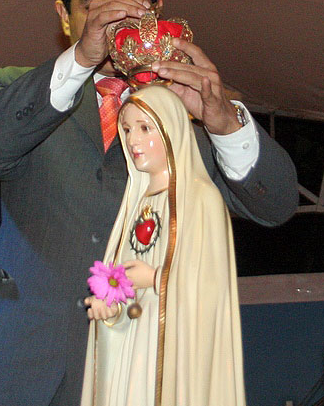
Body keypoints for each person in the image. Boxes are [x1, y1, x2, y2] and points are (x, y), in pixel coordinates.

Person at [0, 0, 297, 405]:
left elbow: (275, 205)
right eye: (94, 7)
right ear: (65, 17)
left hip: (134, 372)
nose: (112, 19)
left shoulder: (193, 113)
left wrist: (223, 123)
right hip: (10, 368)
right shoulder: (27, 89)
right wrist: (82, 57)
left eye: (129, 6)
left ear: (156, 13)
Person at [81, 85, 246, 405]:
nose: (133, 140)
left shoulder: (200, 198)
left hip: (175, 351)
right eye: (127, 129)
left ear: (172, 129)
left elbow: (212, 287)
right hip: (132, 351)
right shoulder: (134, 203)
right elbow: (122, 277)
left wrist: (157, 279)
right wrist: (110, 306)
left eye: (145, 128)